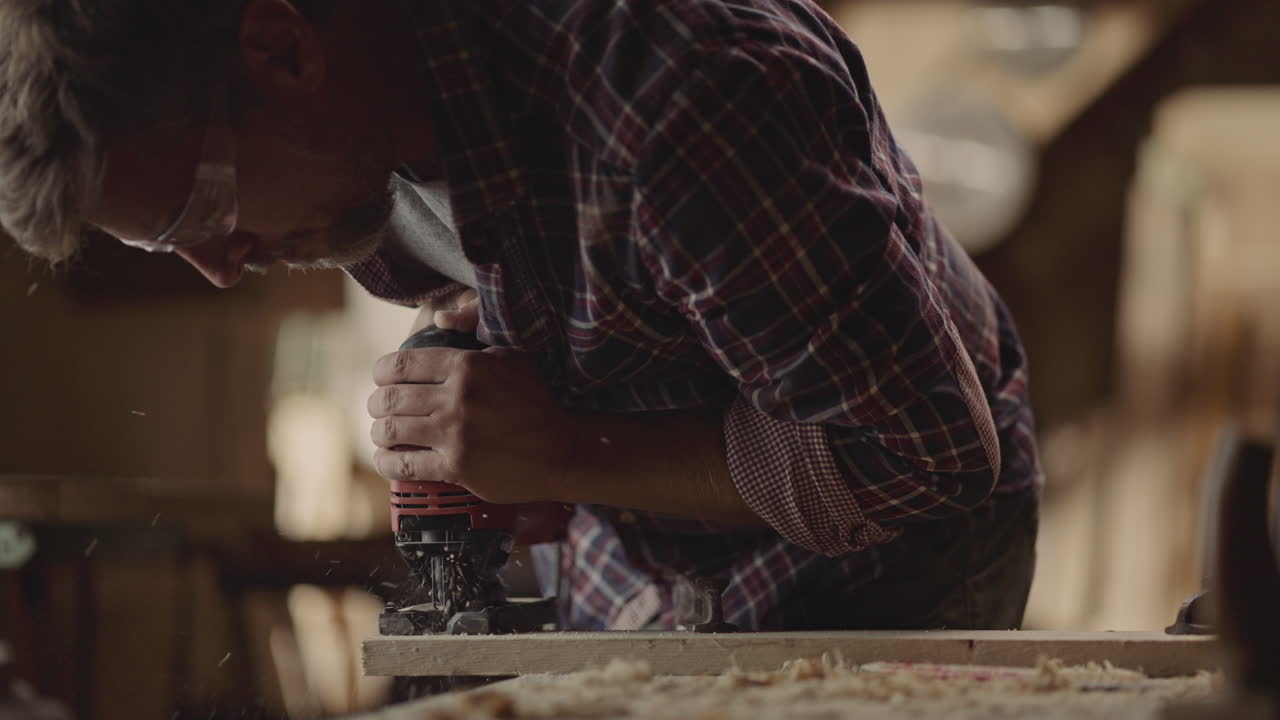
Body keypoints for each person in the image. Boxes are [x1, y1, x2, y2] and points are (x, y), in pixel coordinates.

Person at [1, 0, 1042, 631]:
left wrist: (571, 451)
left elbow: (922, 455)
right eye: (162, 244)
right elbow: (529, 263)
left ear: (280, 51)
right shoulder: (362, 117)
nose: (220, 269)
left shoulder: (679, 98)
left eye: (204, 210)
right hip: (637, 565)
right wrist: (492, 388)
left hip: (879, 571)